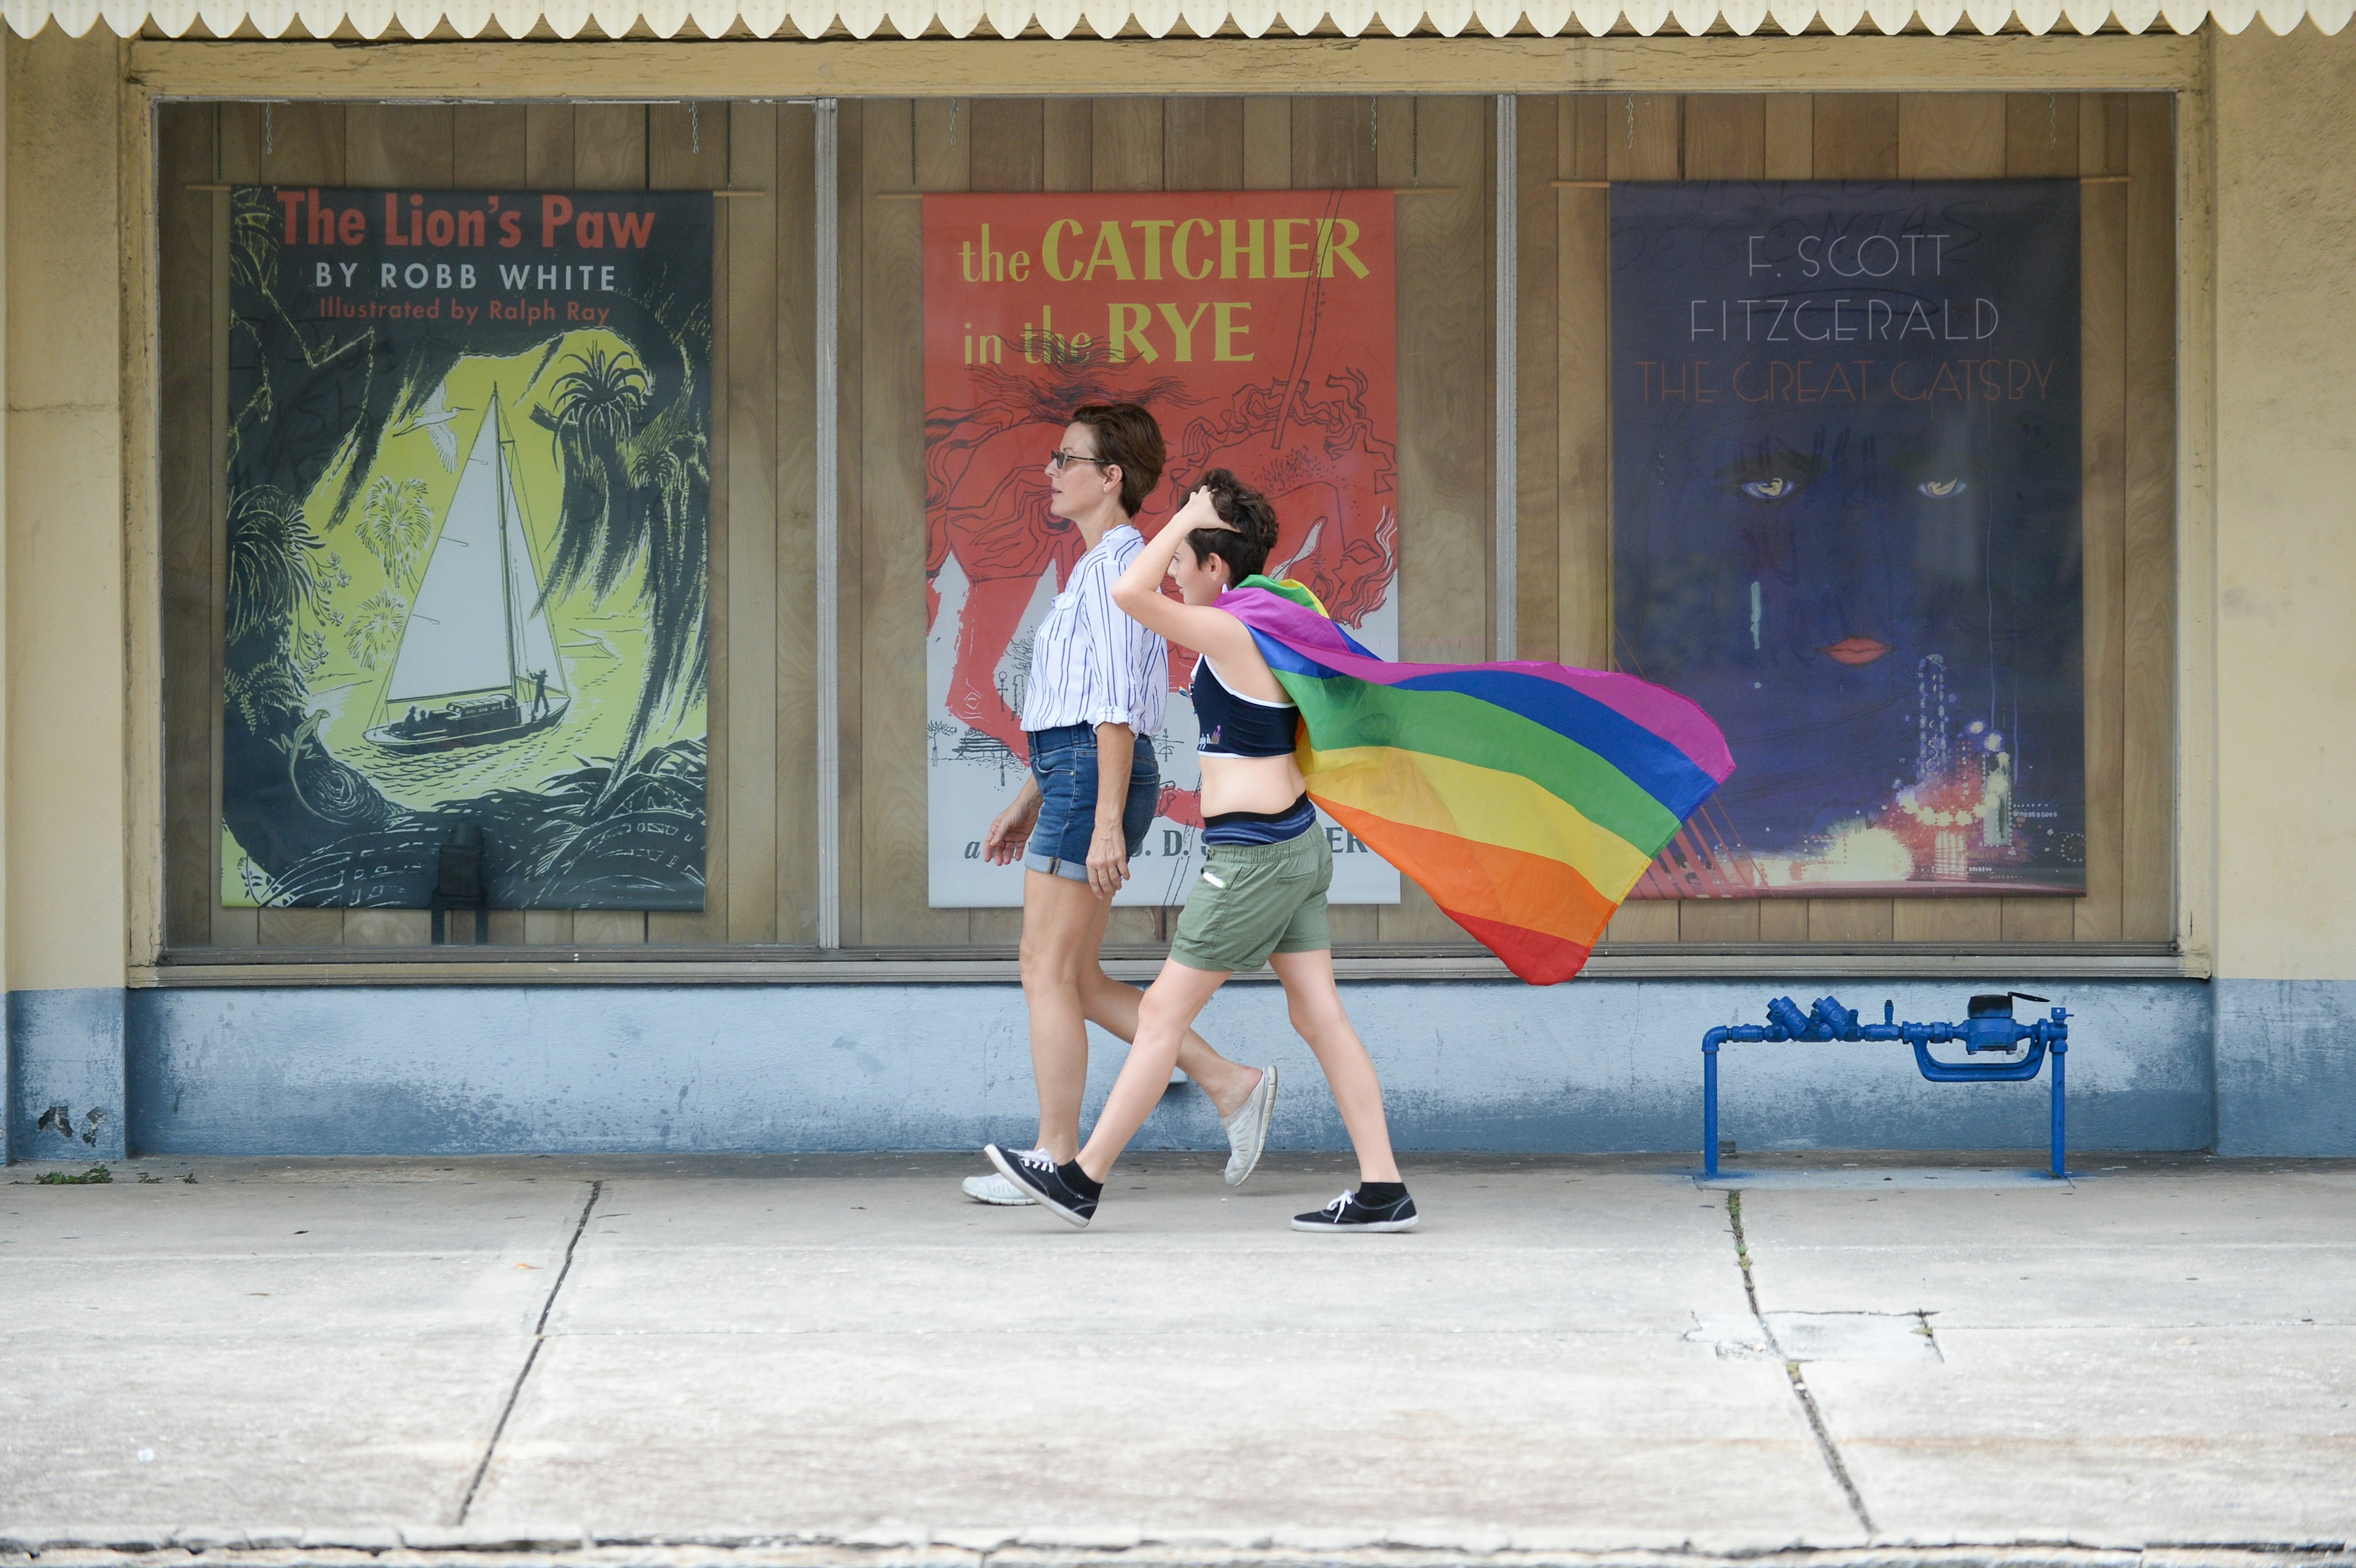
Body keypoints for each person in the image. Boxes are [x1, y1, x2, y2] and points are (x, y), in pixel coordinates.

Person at [986, 471, 1415, 1234]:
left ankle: (1082, 1180)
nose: (1173, 575)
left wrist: (1187, 514)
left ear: (1216, 566)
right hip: (1294, 847)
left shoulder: (1236, 627)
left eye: (1184, 561)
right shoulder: (1272, 613)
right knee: (1320, 1016)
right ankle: (1384, 1187)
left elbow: (1128, 594)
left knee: (1159, 1014)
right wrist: (1193, 525)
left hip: (1251, 860)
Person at [961, 407, 1279, 1207]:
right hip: (1075, 776)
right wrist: (1028, 798)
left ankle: (1056, 1156)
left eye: (1067, 458)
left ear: (1111, 478)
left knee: (1044, 969)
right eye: (1053, 457)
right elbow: (1080, 710)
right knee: (1082, 978)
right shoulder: (1097, 568)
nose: (1050, 471)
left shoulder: (1115, 570)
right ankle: (1231, 1083)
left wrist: (1101, 819)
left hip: (1093, 778)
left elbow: (1111, 710)